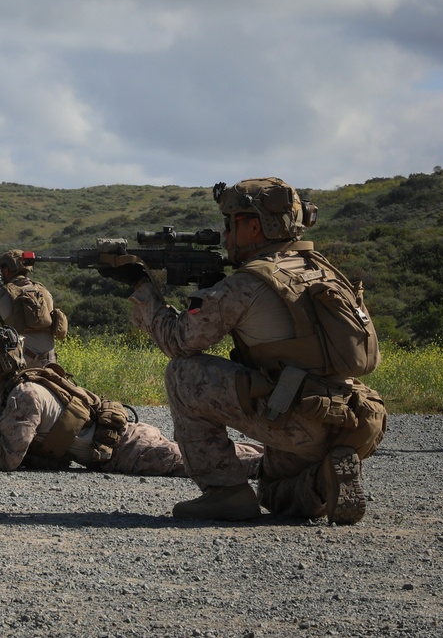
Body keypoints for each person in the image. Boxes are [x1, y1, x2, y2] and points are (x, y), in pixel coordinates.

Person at [103, 177, 387, 524]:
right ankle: (325, 477)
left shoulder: (248, 283)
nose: (224, 235)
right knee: (275, 494)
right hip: (347, 418)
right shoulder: (320, 268)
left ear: (254, 227)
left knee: (182, 372)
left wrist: (141, 286)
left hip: (295, 418)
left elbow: (177, 341)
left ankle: (225, 494)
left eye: (229, 225)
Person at [0, 326, 262, 478]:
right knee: (209, 455)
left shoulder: (24, 395)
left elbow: (8, 458)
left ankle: (279, 462)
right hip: (124, 446)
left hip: (132, 451)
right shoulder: (13, 391)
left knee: (208, 463)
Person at [0, 250, 66, 368]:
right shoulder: (44, 291)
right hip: (50, 360)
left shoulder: (0, 294)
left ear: (6, 270)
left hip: (21, 360)